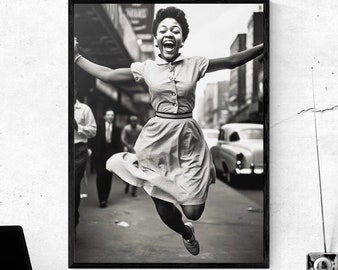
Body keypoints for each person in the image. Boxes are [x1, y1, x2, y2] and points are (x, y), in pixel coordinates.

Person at [74, 6, 264, 255]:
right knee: (165, 210)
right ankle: (185, 231)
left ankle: (186, 218)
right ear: (156, 39)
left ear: (182, 39)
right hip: (157, 141)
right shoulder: (146, 68)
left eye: (175, 30)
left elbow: (231, 61)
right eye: (163, 30)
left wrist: (264, 46)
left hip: (189, 140)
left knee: (193, 211)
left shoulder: (196, 64)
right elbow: (108, 74)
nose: (169, 33)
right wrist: (76, 57)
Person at [74, 83, 97, 229]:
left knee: (74, 186)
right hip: (59, 150)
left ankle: (74, 221)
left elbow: (93, 131)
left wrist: (78, 128)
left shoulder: (84, 109)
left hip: (78, 151)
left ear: (75, 90)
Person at [93, 108, 123, 208]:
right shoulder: (99, 127)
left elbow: (119, 145)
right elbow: (94, 142)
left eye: (112, 115)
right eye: (109, 115)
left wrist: (118, 156)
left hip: (111, 157)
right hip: (100, 155)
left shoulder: (117, 129)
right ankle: (101, 199)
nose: (110, 117)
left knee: (108, 177)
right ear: (105, 116)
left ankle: (105, 198)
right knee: (100, 176)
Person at [121, 115, 143, 197]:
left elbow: (143, 138)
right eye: (132, 121)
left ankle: (134, 189)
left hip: (137, 149)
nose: (133, 122)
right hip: (129, 148)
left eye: (135, 121)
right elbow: (123, 138)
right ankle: (127, 184)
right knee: (127, 168)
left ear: (137, 121)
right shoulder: (126, 128)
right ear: (130, 122)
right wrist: (127, 145)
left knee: (136, 169)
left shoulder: (140, 128)